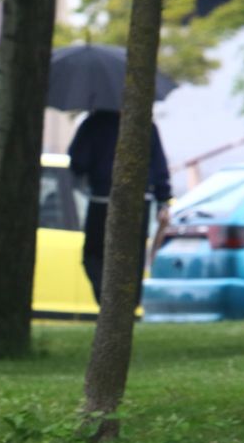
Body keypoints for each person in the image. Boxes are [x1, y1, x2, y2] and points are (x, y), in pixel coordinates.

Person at [66, 110, 172, 304]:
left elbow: (78, 161)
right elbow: (159, 166)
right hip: (140, 200)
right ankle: (128, 303)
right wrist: (163, 200)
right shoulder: (145, 125)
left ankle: (107, 300)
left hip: (102, 198)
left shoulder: (94, 123)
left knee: (93, 254)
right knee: (133, 256)